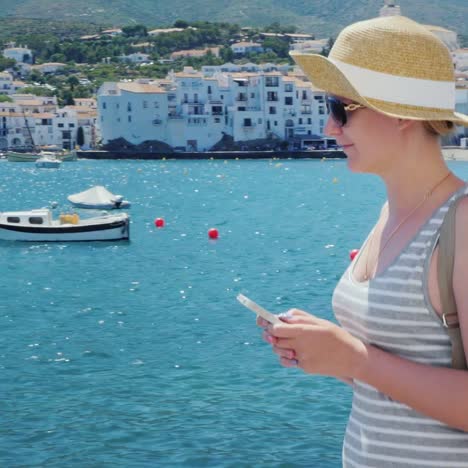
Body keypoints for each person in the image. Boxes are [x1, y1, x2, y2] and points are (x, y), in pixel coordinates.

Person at [258, 15, 468, 467]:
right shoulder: (390, 216)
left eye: (340, 109)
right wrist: (326, 353)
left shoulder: (463, 225)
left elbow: (369, 364)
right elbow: (390, 383)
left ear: (399, 115)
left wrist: (356, 360)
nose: (330, 129)